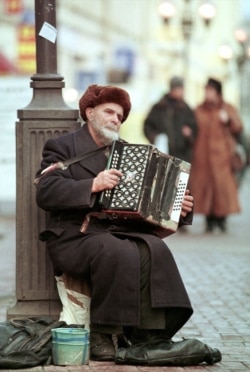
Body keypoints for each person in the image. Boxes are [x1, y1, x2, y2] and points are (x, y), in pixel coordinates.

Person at [35, 84, 195, 362]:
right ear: (89, 112)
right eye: (109, 112)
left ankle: (150, 334)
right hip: (74, 234)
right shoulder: (62, 146)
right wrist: (92, 184)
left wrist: (175, 208)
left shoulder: (127, 153)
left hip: (115, 230)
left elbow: (145, 201)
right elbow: (45, 190)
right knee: (117, 251)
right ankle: (101, 333)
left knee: (153, 249)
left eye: (119, 116)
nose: (115, 119)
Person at [189, 77, 243, 233]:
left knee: (222, 189)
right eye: (206, 90)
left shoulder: (227, 109)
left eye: (210, 90)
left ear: (218, 92)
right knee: (205, 188)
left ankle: (222, 219)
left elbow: (238, 128)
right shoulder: (199, 110)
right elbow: (193, 129)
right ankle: (209, 220)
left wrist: (229, 120)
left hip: (222, 157)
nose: (207, 93)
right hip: (203, 156)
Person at [143, 76, 197, 163]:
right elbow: (147, 126)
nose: (182, 92)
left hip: (182, 156)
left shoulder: (186, 109)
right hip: (162, 154)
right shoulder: (159, 107)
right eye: (179, 89)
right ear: (173, 89)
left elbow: (193, 127)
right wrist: (156, 137)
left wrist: (189, 133)